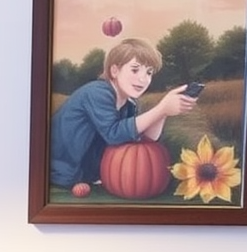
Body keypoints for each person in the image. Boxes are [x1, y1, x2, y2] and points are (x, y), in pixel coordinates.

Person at [49, 37, 197, 189]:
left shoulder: (129, 104)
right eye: (135, 69)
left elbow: (146, 139)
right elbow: (114, 134)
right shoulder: (97, 93)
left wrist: (164, 113)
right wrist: (161, 108)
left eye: (149, 72)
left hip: (89, 175)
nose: (143, 78)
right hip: (62, 171)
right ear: (115, 70)